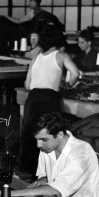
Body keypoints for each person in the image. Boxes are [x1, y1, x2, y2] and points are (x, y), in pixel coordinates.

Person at [11, 111, 99, 197]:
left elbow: (57, 190)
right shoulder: (47, 148)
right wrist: (44, 179)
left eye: (44, 140)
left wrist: (8, 194)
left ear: (60, 135)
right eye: (37, 139)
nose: (38, 145)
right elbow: (50, 178)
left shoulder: (81, 153)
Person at [20, 27, 80, 173]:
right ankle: (49, 171)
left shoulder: (36, 58)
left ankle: (28, 172)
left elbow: (27, 85)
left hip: (32, 99)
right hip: (49, 98)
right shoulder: (61, 55)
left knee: (31, 134)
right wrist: (67, 85)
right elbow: (76, 73)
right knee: (50, 135)